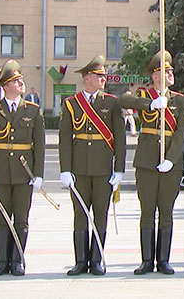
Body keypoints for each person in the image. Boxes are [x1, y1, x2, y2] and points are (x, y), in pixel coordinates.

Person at [119, 51, 184, 275]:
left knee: (166, 211)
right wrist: (150, 104)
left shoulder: (179, 99)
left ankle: (164, 260)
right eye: (166, 71)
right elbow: (123, 100)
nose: (171, 74)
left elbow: (180, 133)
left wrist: (171, 159)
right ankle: (147, 260)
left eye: (171, 71)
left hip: (170, 164)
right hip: (147, 162)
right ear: (156, 76)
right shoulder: (144, 95)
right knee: (147, 211)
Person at [59, 54, 126, 276]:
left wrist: (119, 169)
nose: (103, 79)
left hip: (102, 169)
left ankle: (96, 260)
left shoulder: (111, 102)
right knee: (80, 214)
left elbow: (120, 138)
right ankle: (80, 261)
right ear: (87, 77)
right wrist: (65, 169)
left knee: (100, 214)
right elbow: (65, 139)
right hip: (79, 169)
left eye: (104, 75)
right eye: (99, 75)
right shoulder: (71, 104)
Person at [0, 60, 45, 276]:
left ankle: (17, 261)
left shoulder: (32, 110)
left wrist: (39, 174)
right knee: (2, 219)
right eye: (16, 80)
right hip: (0, 172)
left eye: (21, 79)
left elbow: (40, 145)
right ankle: (2, 262)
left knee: (21, 219)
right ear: (5, 86)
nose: (21, 83)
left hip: (24, 173)